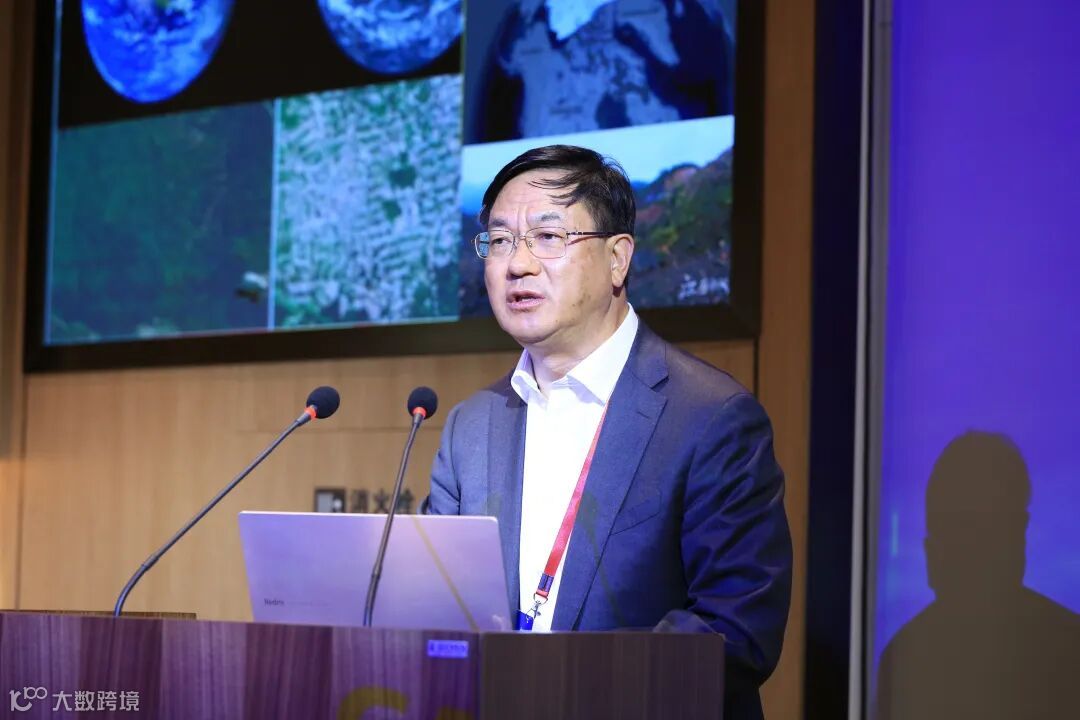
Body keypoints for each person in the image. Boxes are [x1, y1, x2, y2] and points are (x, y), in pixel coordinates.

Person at [425, 145, 791, 720]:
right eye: (499, 241)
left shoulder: (712, 418)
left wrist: (558, 683)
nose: (518, 264)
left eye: (548, 237)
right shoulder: (470, 426)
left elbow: (737, 631)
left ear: (618, 259)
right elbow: (431, 604)